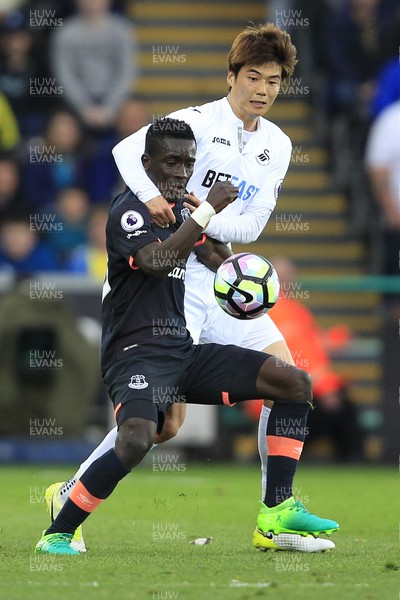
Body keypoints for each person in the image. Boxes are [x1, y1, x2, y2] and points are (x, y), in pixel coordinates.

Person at [44, 23, 336, 553]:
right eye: (253, 77)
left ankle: (275, 518)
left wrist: (207, 227)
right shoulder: (196, 123)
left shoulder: (279, 144)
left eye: (273, 80)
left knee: (288, 376)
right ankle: (71, 494)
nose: (263, 89)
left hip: (218, 270)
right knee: (162, 423)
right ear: (231, 76)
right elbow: (125, 156)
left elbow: (252, 224)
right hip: (173, 279)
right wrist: (158, 204)